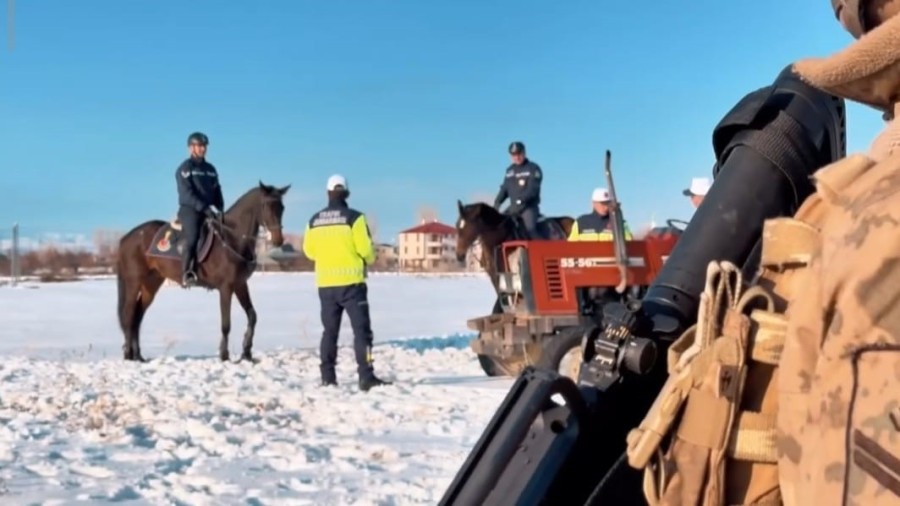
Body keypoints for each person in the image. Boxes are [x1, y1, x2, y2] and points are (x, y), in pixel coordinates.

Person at [302, 174, 391, 392]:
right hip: (352, 285)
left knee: (329, 332)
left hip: (326, 286)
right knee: (361, 332)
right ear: (347, 193)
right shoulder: (355, 219)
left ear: (328, 193)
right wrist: (368, 259)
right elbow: (366, 250)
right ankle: (366, 376)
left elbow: (309, 251)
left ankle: (328, 377)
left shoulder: (313, 221)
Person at [175, 131, 224, 286]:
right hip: (190, 210)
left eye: (204, 146)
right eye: (199, 146)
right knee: (193, 237)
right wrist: (204, 208)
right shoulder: (184, 168)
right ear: (191, 148)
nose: (203, 149)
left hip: (208, 209)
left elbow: (217, 190)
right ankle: (187, 273)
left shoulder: (211, 169)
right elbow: (187, 194)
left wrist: (221, 208)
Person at [493, 141, 543, 238]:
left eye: (519, 154)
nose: (517, 157)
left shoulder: (533, 168)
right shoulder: (509, 171)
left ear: (524, 153)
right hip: (513, 208)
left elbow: (533, 190)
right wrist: (497, 202)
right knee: (499, 226)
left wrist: (521, 200)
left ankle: (542, 250)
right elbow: (505, 189)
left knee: (530, 229)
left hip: (528, 208)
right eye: (514, 155)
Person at [567, 187, 633, 241]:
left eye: (608, 203)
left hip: (612, 257)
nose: (606, 207)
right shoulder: (581, 222)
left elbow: (629, 243)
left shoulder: (620, 222)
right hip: (588, 257)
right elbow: (571, 247)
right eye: (603, 204)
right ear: (593, 203)